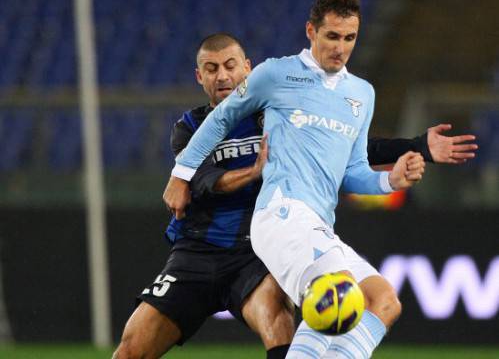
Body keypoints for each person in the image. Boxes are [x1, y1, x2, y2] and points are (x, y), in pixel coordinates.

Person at [115, 30, 477, 358]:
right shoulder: (191, 127)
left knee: (278, 321)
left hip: (254, 256)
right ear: (200, 76)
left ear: (248, 69)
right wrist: (252, 173)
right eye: (211, 69)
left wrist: (418, 146)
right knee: (131, 349)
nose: (222, 76)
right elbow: (203, 181)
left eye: (230, 66)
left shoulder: (277, 113)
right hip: (197, 253)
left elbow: (350, 146)